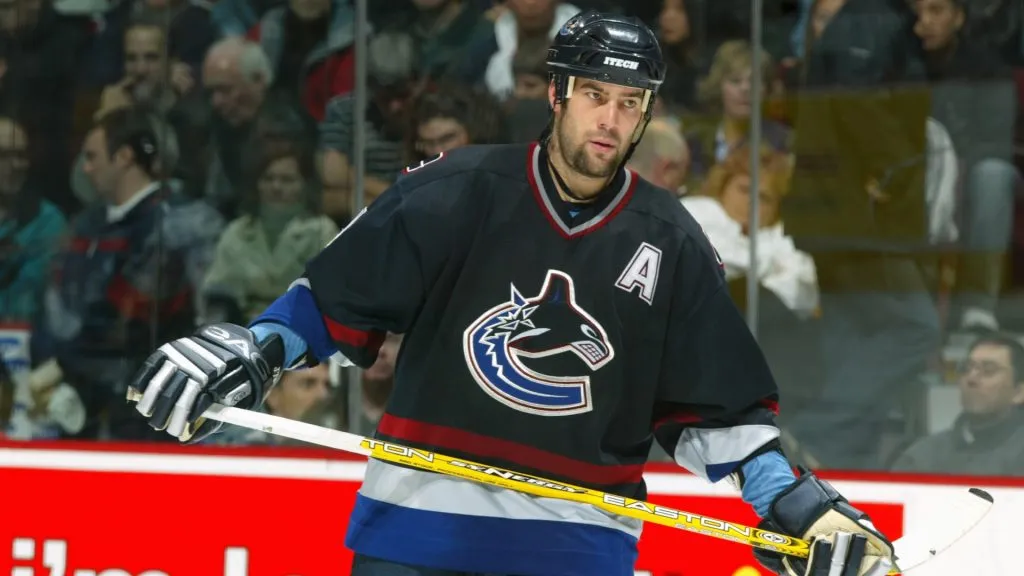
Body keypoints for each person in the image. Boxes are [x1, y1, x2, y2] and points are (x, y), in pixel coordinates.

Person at [123, 10, 896, 576]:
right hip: (414, 535)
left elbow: (713, 409)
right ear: (556, 93)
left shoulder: (670, 241)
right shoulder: (456, 191)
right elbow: (334, 300)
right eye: (596, 95)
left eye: (631, 104)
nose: (612, 119)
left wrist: (788, 501)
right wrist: (255, 349)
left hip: (574, 549)